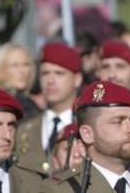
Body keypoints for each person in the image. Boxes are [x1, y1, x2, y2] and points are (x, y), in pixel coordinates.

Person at [15, 43, 83, 176]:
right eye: (45, 73)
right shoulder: (24, 130)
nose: (50, 81)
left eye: (59, 73)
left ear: (77, 79)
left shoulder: (85, 126)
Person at [0, 43, 40, 118]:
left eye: (26, 64)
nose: (22, 71)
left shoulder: (27, 102)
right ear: (1, 68)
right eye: (15, 65)